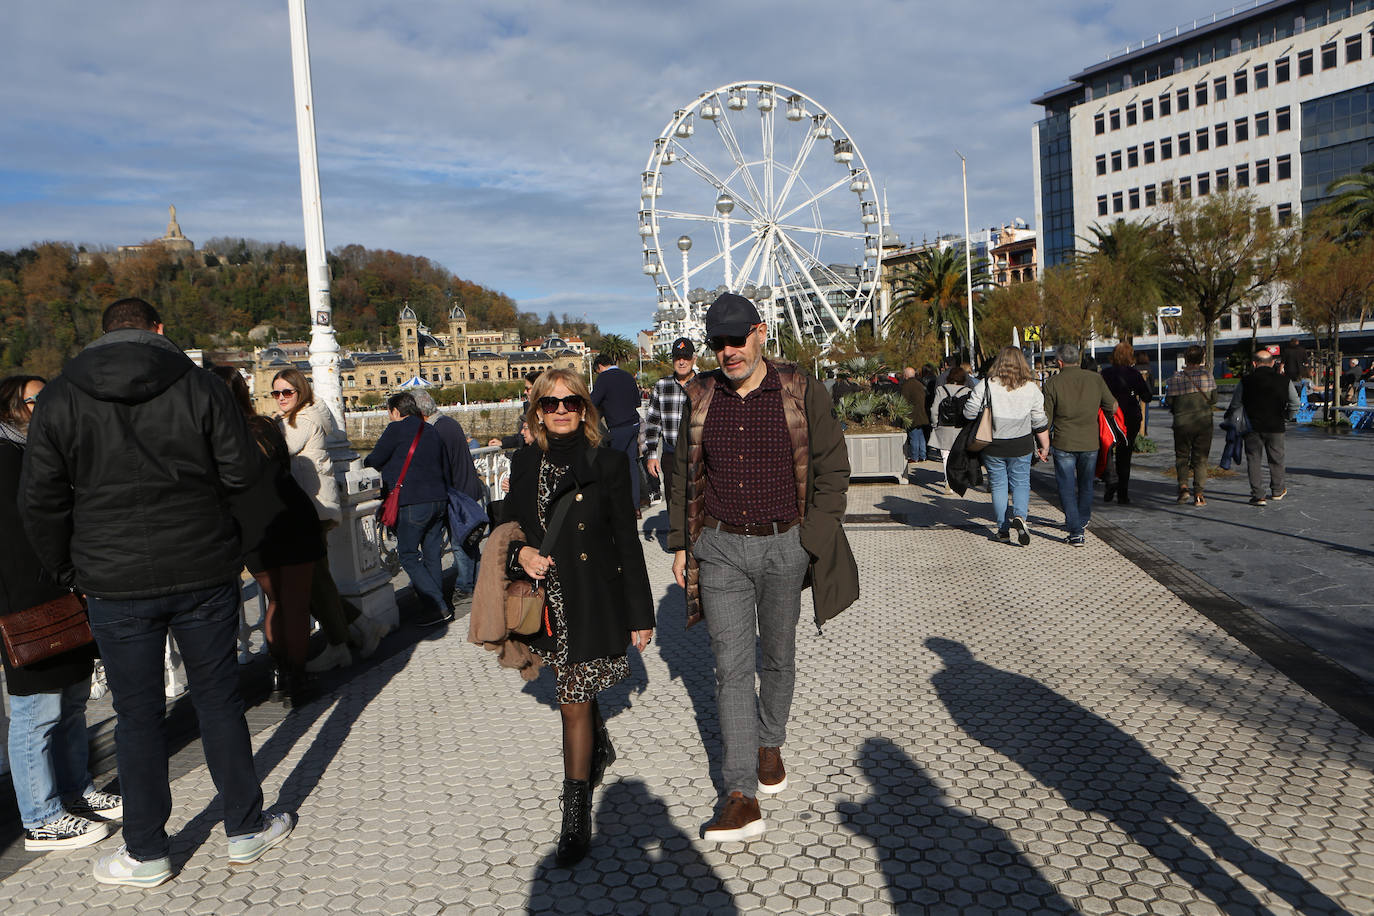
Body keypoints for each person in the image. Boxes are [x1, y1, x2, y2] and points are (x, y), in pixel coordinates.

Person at [20, 298, 293, 888]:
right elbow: (244, 475)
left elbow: (39, 499)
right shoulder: (201, 387)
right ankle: (244, 829)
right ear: (160, 331)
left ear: (102, 335)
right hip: (202, 568)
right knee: (219, 701)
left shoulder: (63, 396)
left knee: (136, 716)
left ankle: (147, 852)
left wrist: (70, 569)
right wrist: (228, 543)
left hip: (113, 582)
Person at [669, 293, 858, 843]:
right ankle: (740, 794)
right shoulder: (701, 396)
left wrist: (810, 539)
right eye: (717, 343)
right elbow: (684, 476)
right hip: (722, 548)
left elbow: (832, 466)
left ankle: (769, 742)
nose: (727, 351)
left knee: (777, 655)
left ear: (760, 332)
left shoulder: (799, 389)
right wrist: (684, 545)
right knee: (730, 669)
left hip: (785, 546)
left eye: (735, 339)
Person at [503, 368, 653, 866]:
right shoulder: (524, 463)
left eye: (571, 402)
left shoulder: (607, 463)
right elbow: (503, 529)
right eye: (551, 403)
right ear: (538, 412)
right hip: (549, 603)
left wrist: (640, 614)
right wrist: (520, 554)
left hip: (593, 599)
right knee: (574, 692)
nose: (562, 410)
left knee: (572, 699)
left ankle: (574, 815)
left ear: (585, 409)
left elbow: (628, 546)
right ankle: (598, 747)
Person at [1, 375, 121, 852]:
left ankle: (77, 791)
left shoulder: (37, 454)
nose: (47, 408)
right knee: (36, 712)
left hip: (62, 594)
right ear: (13, 407)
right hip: (26, 603)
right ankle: (40, 816)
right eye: (37, 401)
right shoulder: (5, 458)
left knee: (72, 704)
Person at [211, 366, 324, 706]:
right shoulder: (263, 427)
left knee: (276, 601)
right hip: (289, 516)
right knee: (296, 604)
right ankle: (296, 677)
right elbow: (283, 470)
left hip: (251, 528)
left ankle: (278, 673)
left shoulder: (208, 439)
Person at [271, 368, 384, 670]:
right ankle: (358, 628)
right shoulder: (296, 418)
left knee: (314, 583)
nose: (281, 398)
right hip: (310, 509)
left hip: (310, 510)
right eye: (276, 393)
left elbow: (274, 450)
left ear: (300, 392)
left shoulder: (302, 421)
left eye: (287, 392)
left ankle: (341, 643)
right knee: (315, 582)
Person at [365, 392, 453, 625]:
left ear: (395, 411)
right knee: (433, 555)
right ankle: (436, 607)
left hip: (412, 502)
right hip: (439, 500)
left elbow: (374, 459)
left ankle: (438, 606)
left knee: (408, 555)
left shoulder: (396, 429)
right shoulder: (430, 429)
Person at [960, 349, 1049, 545]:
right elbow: (1038, 420)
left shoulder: (986, 385)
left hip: (993, 444)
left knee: (999, 485)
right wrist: (1045, 445)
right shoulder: (1031, 388)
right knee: (1021, 483)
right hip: (1021, 444)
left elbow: (968, 413)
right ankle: (1020, 517)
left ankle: (1002, 529)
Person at [413, 389, 484, 602]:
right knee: (469, 541)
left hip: (457, 494)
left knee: (459, 543)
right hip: (468, 488)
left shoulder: (435, 430)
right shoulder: (450, 423)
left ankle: (465, 586)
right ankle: (475, 581)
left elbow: (440, 466)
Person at [1042, 343, 1116, 546]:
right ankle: (1081, 520)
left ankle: (1075, 530)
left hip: (1064, 441)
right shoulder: (1096, 379)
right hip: (1090, 441)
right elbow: (1112, 405)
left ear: (1059, 362)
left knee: (1065, 487)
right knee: (1086, 484)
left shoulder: (1052, 383)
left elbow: (1046, 418)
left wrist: (1042, 444)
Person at [1227, 349, 1299, 506]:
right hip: (1276, 425)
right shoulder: (1284, 381)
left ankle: (1258, 495)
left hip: (1252, 426)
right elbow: (1295, 403)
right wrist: (1288, 416)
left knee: (1254, 459)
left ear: (1254, 363)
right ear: (1273, 363)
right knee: (1277, 459)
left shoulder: (1245, 381)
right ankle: (1278, 490)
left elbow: (1235, 404)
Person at [644, 337, 697, 516]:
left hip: (698, 456)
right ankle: (677, 543)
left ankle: (697, 543)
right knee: (674, 503)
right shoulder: (661, 386)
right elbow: (652, 423)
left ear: (694, 359)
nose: (681, 362)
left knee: (699, 503)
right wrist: (651, 455)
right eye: (677, 357)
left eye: (686, 357)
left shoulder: (704, 385)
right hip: (671, 455)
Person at [1099, 343, 1154, 505]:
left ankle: (1110, 478)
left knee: (1107, 448)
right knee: (1125, 454)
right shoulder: (1134, 374)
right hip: (1130, 417)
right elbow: (1147, 397)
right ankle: (1123, 494)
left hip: (1110, 417)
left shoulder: (1105, 374)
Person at [590, 353, 643, 514]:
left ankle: (618, 505)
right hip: (634, 424)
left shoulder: (604, 378)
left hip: (618, 428)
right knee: (631, 465)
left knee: (615, 467)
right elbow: (638, 402)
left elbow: (592, 402)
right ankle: (635, 506)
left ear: (599, 367)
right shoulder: (627, 376)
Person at [1166, 346, 1217, 506]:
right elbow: (1214, 399)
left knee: (1181, 456)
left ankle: (1183, 487)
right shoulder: (1208, 376)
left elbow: (1169, 401)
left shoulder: (1175, 378)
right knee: (1200, 459)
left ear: (1186, 359)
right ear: (1202, 359)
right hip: (1203, 423)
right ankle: (1199, 494)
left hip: (1182, 424)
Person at [929, 366, 972, 493]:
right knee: (960, 454)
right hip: (961, 427)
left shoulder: (941, 390)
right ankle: (959, 478)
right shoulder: (967, 391)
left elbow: (934, 409)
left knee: (945, 455)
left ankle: (948, 482)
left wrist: (935, 423)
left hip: (944, 426)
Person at [489, 370, 541, 449]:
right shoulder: (528, 408)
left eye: (527, 389)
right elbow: (521, 437)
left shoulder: (550, 411)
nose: (524, 392)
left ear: (538, 389)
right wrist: (503, 442)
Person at [898, 367, 931, 465]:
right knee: (920, 435)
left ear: (906, 375)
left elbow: (903, 401)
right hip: (922, 413)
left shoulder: (907, 385)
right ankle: (923, 455)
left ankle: (914, 456)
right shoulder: (920, 384)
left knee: (914, 436)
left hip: (912, 415)